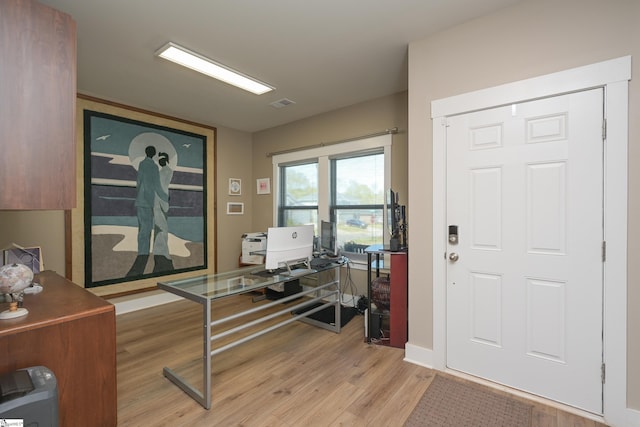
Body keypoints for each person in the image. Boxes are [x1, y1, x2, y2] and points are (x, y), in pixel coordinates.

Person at [126, 145, 167, 276]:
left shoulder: (142, 164)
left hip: (140, 201)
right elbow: (157, 185)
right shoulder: (153, 167)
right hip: (148, 202)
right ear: (154, 154)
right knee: (147, 229)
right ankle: (144, 255)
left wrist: (139, 195)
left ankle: (142, 253)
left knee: (142, 230)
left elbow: (139, 182)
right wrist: (165, 197)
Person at [152, 152, 174, 272]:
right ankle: (160, 250)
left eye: (161, 159)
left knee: (161, 226)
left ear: (165, 160)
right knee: (160, 226)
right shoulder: (164, 171)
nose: (159, 161)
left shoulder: (166, 171)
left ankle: (162, 251)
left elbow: (161, 187)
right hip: (160, 201)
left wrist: (161, 198)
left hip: (161, 201)